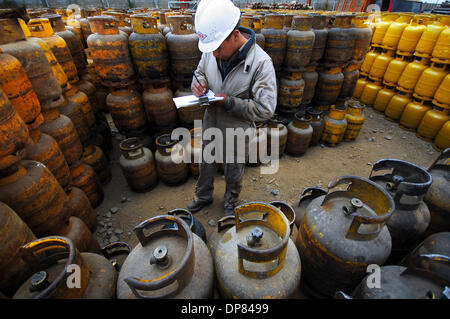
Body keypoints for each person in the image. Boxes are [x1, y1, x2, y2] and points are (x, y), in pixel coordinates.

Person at [187, 0, 277, 216]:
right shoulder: (213, 49)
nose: (214, 54)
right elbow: (200, 71)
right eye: (212, 50)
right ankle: (203, 197)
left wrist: (228, 101)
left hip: (237, 125)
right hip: (211, 118)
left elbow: (266, 108)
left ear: (235, 35)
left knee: (233, 168)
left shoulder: (261, 63)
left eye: (218, 49)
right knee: (206, 161)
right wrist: (197, 84)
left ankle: (230, 202)